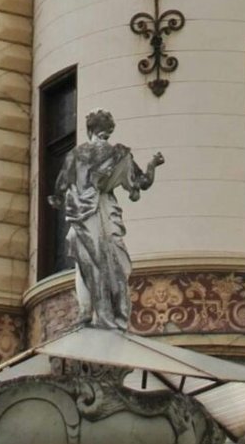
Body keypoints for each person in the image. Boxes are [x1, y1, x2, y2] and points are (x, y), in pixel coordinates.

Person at [50, 110, 163, 332]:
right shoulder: (119, 154)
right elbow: (143, 182)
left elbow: (59, 190)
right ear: (109, 130)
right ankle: (111, 312)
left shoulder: (76, 155)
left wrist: (61, 197)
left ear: (88, 130)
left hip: (83, 218)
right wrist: (153, 164)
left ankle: (87, 311)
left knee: (86, 265)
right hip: (107, 214)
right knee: (113, 263)